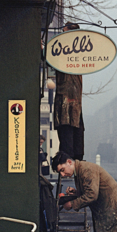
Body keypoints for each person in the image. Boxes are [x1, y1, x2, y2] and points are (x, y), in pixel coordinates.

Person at [53, 22, 84, 161]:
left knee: (74, 135)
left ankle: (72, 160)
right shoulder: (60, 50)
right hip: (66, 100)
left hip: (74, 103)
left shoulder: (77, 51)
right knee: (68, 134)